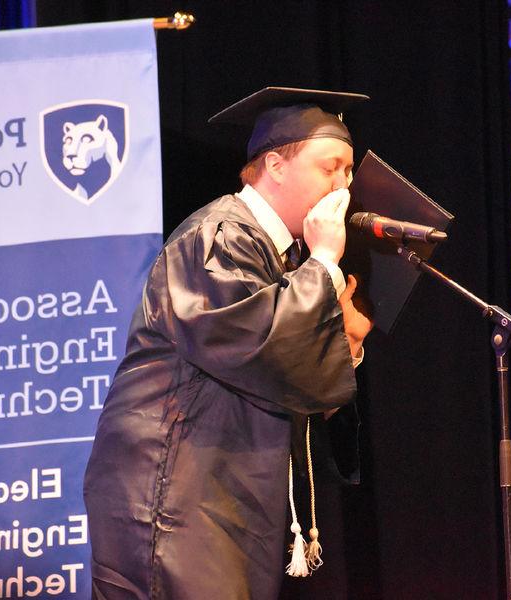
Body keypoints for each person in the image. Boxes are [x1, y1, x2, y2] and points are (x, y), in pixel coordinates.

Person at [83, 87, 372, 600]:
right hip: (171, 494)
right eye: (330, 168)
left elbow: (283, 377)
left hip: (218, 493)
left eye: (349, 172)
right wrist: (324, 264)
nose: (343, 186)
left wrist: (343, 344)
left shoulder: (277, 256)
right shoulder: (220, 236)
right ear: (276, 165)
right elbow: (251, 345)